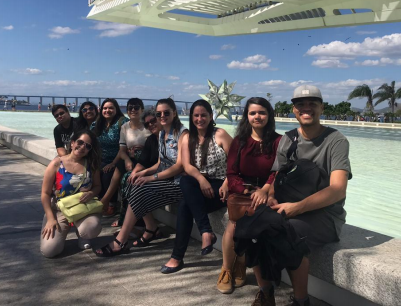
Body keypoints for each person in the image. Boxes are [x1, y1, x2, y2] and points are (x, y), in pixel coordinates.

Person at [241, 85, 351, 306]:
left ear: (321, 107)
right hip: (288, 207)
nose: (306, 108)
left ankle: (301, 301)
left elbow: (338, 189)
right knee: (249, 225)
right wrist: (269, 194)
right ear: (294, 109)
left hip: (325, 215)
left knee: (290, 233)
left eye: (312, 103)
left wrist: (297, 207)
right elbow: (276, 177)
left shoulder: (336, 141)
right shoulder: (288, 139)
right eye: (301, 104)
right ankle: (266, 292)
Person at [94, 98, 187, 257]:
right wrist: (142, 173)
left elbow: (179, 166)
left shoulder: (182, 134)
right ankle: (150, 228)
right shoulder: (163, 133)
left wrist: (151, 178)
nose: (162, 116)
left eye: (166, 113)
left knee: (139, 189)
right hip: (166, 178)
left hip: (179, 182)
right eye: (159, 114)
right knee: (134, 182)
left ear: (174, 113)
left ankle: (120, 242)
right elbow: (160, 162)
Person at [217, 97, 281, 293]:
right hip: (242, 190)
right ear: (247, 116)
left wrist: (265, 189)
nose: (257, 116)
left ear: (269, 115)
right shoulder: (240, 142)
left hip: (267, 193)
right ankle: (227, 269)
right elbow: (232, 172)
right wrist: (245, 190)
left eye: (261, 112)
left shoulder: (279, 141)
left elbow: (277, 170)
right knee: (234, 224)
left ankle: (244, 264)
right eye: (252, 113)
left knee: (263, 225)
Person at [161, 99, 233, 274]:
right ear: (191, 117)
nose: (199, 119)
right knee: (186, 181)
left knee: (186, 205)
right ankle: (206, 231)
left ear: (210, 116)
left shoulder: (220, 134)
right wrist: (201, 180)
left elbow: (235, 163)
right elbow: (187, 166)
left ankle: (177, 257)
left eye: (203, 115)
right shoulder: (187, 137)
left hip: (223, 184)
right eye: (196, 115)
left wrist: (226, 183)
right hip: (200, 183)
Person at [40, 129, 103, 257]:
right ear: (73, 143)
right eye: (80, 142)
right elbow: (45, 193)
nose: (82, 147)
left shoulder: (92, 164)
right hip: (59, 210)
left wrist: (91, 193)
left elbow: (97, 186)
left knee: (91, 229)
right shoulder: (56, 164)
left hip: (82, 209)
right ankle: (62, 229)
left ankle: (82, 234)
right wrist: (51, 218)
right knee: (49, 251)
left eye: (87, 146)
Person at [100, 98, 149, 226]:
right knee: (121, 165)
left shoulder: (148, 125)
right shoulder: (125, 127)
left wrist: (142, 150)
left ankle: (109, 204)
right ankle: (108, 202)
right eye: (130, 108)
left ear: (142, 110)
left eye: (136, 107)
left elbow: (155, 146)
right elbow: (122, 150)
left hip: (147, 161)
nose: (133, 110)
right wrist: (127, 159)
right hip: (131, 160)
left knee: (127, 179)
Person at [92, 98, 129, 217]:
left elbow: (123, 147)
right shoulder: (97, 123)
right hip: (100, 159)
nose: (107, 110)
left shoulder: (122, 122)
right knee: (95, 172)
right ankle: (99, 201)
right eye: (105, 108)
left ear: (116, 109)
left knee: (108, 175)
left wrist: (113, 163)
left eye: (111, 108)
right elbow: (90, 140)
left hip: (118, 158)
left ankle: (112, 204)